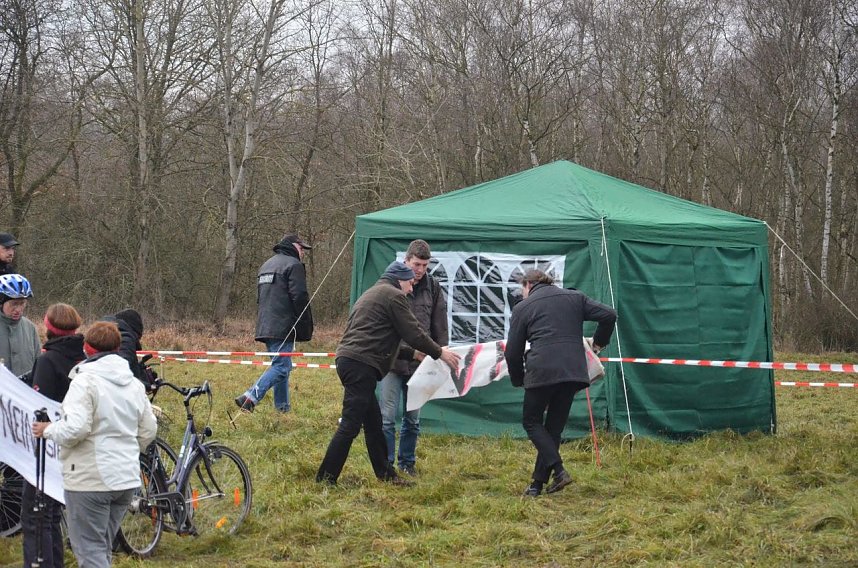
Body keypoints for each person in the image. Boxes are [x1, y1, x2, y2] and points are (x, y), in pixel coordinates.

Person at [316, 261, 460, 486]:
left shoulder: (373, 293)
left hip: (351, 361)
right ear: (400, 280)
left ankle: (386, 474)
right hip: (360, 365)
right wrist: (439, 352)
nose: (412, 289)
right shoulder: (394, 296)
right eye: (410, 283)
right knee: (350, 425)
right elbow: (414, 333)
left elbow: (379, 338)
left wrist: (413, 354)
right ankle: (325, 479)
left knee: (373, 423)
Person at [32, 321, 157, 568]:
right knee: (101, 549)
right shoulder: (133, 384)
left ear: (87, 349)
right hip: (125, 480)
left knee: (90, 552)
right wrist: (127, 451)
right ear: (118, 348)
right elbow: (149, 429)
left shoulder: (84, 382)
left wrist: (48, 430)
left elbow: (75, 429)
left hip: (90, 481)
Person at [504, 269, 617, 497]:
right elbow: (609, 315)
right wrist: (599, 343)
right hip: (573, 372)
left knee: (532, 422)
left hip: (542, 371)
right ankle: (537, 484)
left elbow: (512, 353)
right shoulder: (575, 298)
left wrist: (519, 380)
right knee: (552, 429)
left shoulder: (523, 308)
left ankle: (559, 470)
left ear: (527, 285)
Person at [21, 303, 85, 568]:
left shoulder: (48, 360)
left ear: (48, 328)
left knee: (36, 517)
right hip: (73, 448)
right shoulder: (82, 357)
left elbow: (41, 403)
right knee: (51, 514)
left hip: (47, 449)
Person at [380, 240, 448, 476]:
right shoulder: (392, 284)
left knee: (413, 419)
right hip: (392, 360)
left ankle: (407, 464)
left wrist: (441, 352)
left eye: (424, 265)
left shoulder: (434, 287)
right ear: (406, 260)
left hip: (420, 363)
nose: (420, 270)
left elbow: (440, 323)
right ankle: (386, 465)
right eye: (416, 264)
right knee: (387, 417)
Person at [235, 232, 314, 414]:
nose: (303, 253)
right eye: (302, 249)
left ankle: (282, 409)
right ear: (294, 246)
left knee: (280, 366)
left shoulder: (266, 265)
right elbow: (300, 296)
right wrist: (304, 323)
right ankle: (250, 397)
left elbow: (261, 298)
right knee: (282, 366)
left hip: (265, 324)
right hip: (283, 326)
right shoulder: (293, 265)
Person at [0, 273, 40, 377]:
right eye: (13, 304)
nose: (18, 309)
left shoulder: (30, 328)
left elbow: (38, 364)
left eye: (22, 303)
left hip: (24, 390)